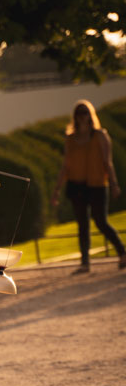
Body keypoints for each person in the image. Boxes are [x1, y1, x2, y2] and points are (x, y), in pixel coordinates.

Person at [51, 100, 126, 273]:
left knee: (101, 221)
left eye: (85, 112)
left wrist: (114, 184)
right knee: (82, 224)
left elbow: (108, 162)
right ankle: (85, 262)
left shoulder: (100, 135)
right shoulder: (71, 138)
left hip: (97, 184)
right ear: (75, 117)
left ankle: (122, 252)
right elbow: (66, 165)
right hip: (77, 185)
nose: (82, 116)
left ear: (90, 115)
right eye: (79, 113)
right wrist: (56, 190)